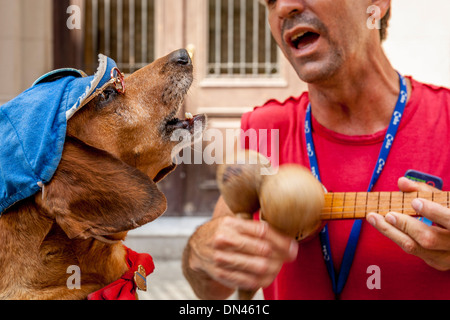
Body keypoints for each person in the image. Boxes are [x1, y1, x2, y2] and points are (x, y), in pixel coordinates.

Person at [182, 0, 450, 300]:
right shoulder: (264, 128)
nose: (283, 7)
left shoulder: (446, 117)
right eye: (269, 1)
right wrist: (201, 255)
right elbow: (212, 291)